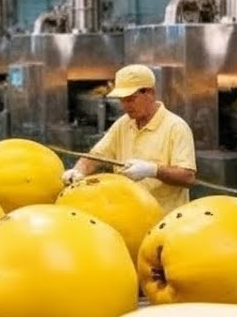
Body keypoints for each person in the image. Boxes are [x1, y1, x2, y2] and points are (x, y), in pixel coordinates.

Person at [61, 64, 196, 213]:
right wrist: (78, 171)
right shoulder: (124, 123)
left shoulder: (176, 127)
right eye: (122, 100)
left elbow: (187, 177)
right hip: (128, 215)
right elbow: (96, 156)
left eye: (131, 99)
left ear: (150, 93)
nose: (125, 106)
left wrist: (153, 170)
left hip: (163, 218)